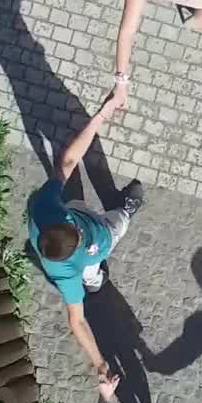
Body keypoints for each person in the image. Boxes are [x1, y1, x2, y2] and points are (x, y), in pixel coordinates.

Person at [26, 93, 144, 387]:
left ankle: (94, 281)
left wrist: (101, 115)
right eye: (78, 235)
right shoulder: (66, 274)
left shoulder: (46, 207)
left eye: (72, 227)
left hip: (79, 215)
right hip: (104, 236)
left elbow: (67, 160)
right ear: (76, 249)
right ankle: (125, 211)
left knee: (89, 265)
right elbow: (76, 322)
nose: (78, 231)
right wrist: (100, 363)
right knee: (117, 225)